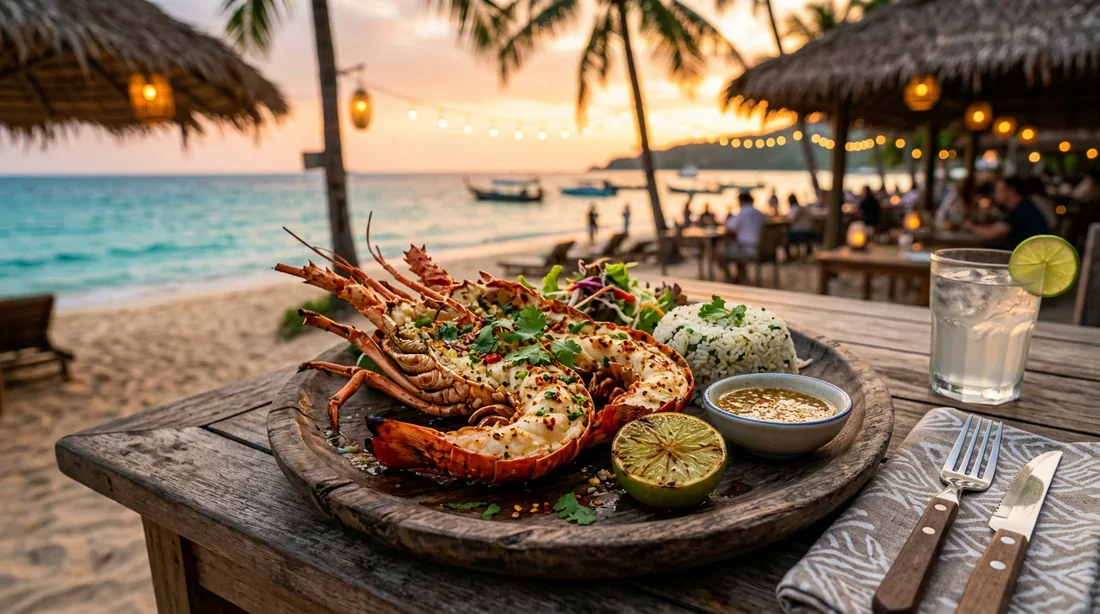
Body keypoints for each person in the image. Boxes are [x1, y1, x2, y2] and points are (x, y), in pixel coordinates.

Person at [965, 175, 1049, 251]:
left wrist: (971, 226)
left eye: (998, 190)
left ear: (1011, 191)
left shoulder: (1023, 209)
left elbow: (990, 234)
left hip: (1027, 258)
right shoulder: (1022, 206)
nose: (995, 194)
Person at [720, 191, 766, 282]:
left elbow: (728, 226)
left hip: (747, 249)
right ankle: (741, 276)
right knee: (736, 246)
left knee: (719, 252)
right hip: (761, 248)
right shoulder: (759, 214)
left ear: (740, 201)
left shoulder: (742, 213)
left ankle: (730, 278)